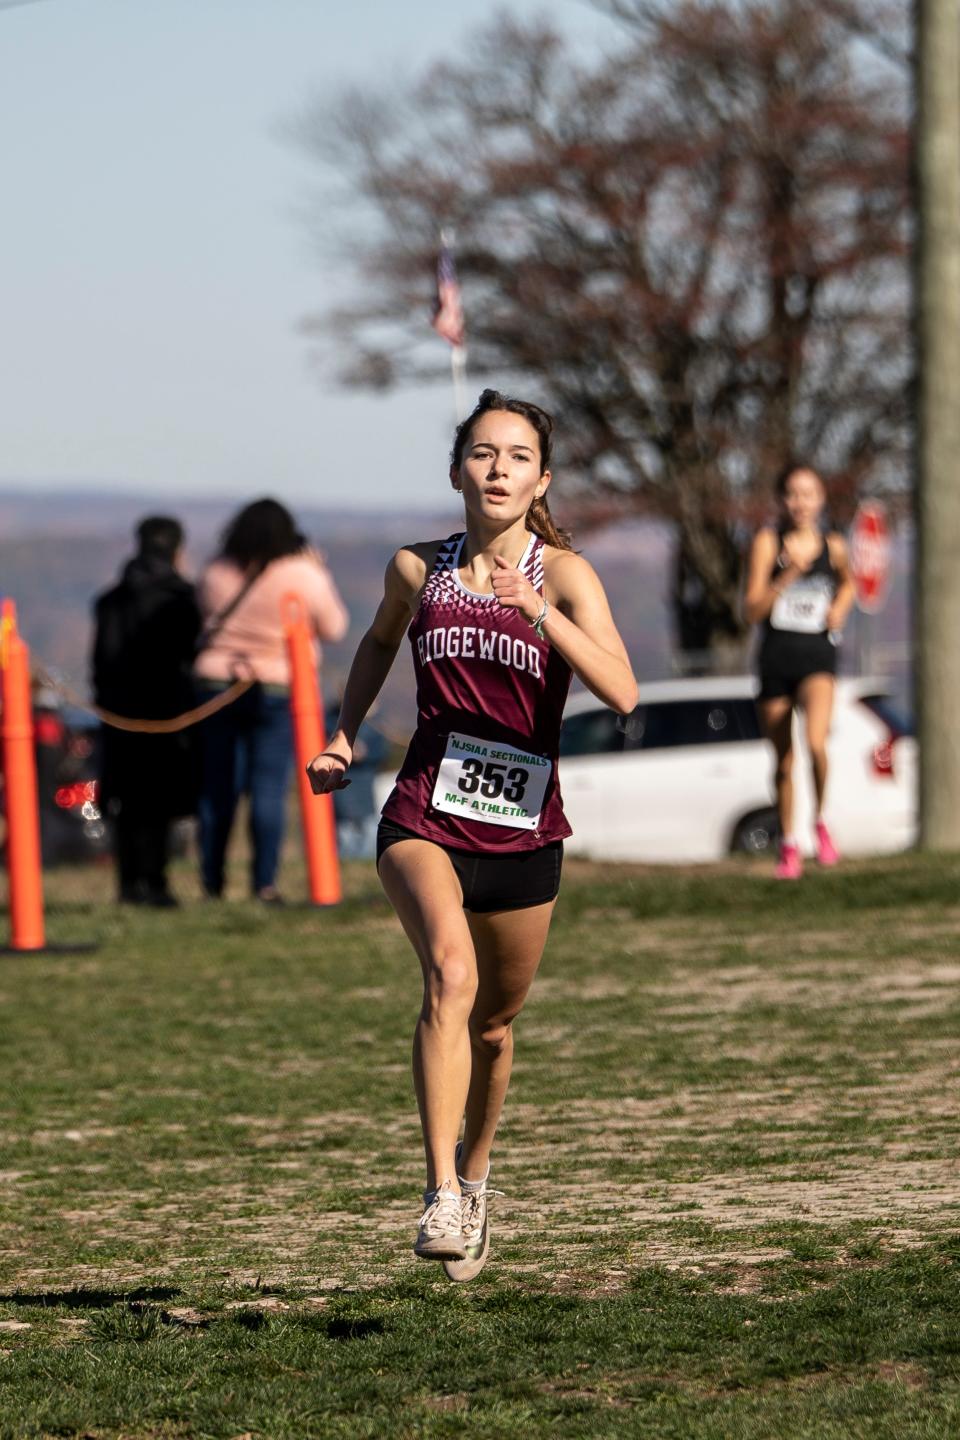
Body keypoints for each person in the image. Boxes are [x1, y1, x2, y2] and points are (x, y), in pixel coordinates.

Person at [307, 389, 638, 1281]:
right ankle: (440, 1194)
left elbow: (624, 690)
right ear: (457, 470)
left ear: (542, 480)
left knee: (494, 1025)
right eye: (483, 454)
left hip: (526, 831)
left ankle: (480, 1175)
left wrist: (539, 612)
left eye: (518, 456)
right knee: (448, 977)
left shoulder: (564, 574)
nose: (498, 469)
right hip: (426, 813)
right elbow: (377, 645)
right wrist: (346, 730)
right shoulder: (419, 569)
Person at [194, 498, 348, 902]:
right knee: (267, 788)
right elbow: (335, 626)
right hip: (279, 687)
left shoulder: (216, 569)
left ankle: (212, 882)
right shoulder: (302, 573)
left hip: (215, 684)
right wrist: (317, 567)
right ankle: (264, 883)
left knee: (217, 788)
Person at [744, 463, 857, 879]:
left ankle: (821, 821)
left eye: (808, 493)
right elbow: (752, 609)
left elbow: (849, 582)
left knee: (815, 743)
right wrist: (788, 572)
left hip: (817, 660)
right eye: (792, 493)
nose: (800, 502)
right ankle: (789, 843)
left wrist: (840, 608)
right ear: (782, 499)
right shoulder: (767, 542)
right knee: (784, 761)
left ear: (821, 498)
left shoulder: (834, 545)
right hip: (776, 660)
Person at [92, 516, 201, 906]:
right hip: (169, 711)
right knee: (158, 801)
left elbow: (101, 661)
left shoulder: (110, 601)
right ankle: (154, 882)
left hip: (118, 712)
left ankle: (128, 885)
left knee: (126, 799)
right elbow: (192, 655)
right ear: (176, 549)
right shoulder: (183, 599)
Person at [324, 696, 389, 859]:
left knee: (368, 832)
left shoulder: (375, 725)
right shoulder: (330, 721)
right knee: (345, 832)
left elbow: (381, 752)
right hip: (341, 786)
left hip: (365, 785)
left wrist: (365, 753)